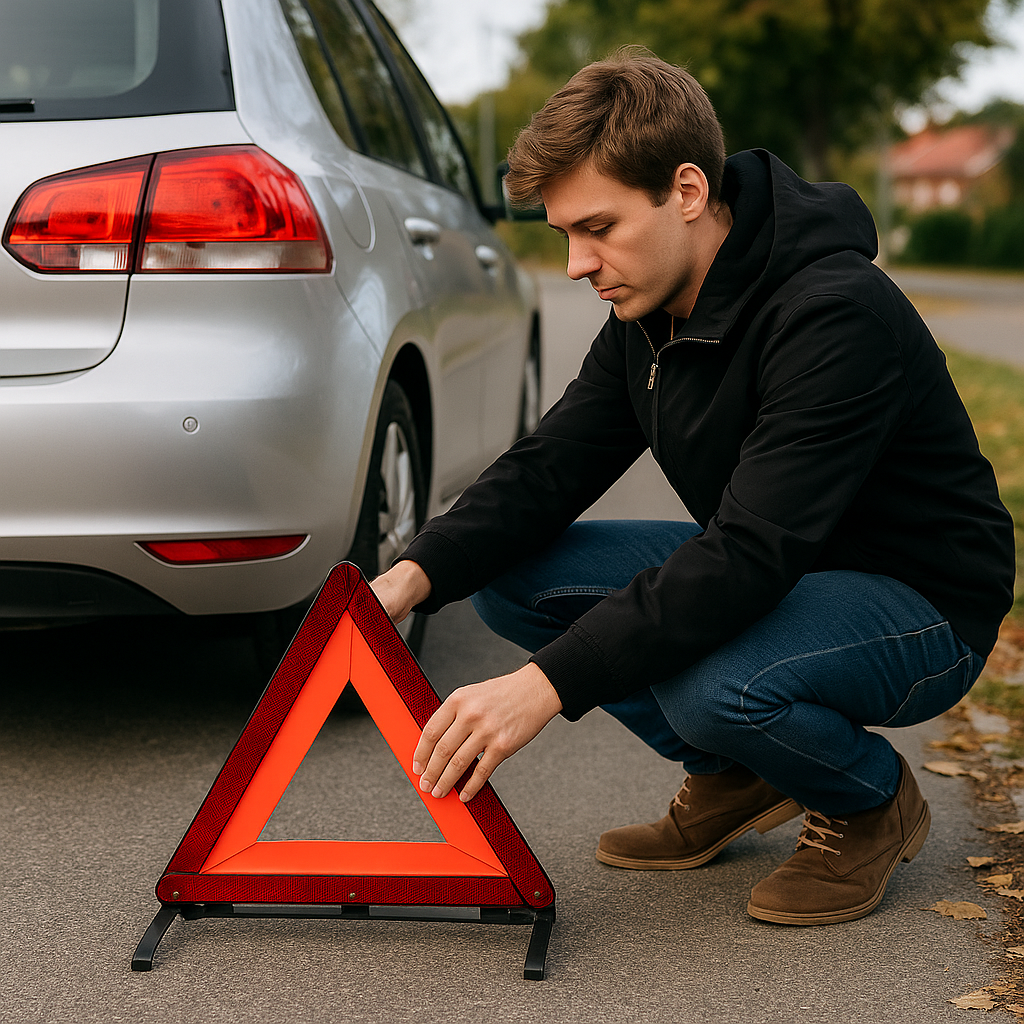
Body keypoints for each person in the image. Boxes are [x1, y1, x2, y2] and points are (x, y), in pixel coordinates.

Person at [371, 49, 1015, 926]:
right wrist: (412, 576)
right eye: (564, 235)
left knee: (710, 687)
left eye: (598, 227)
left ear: (685, 190)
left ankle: (870, 800)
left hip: (920, 601)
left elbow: (748, 555)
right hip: (788, 566)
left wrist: (543, 686)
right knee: (509, 574)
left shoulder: (833, 313)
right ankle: (736, 776)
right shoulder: (649, 311)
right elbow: (548, 466)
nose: (577, 264)